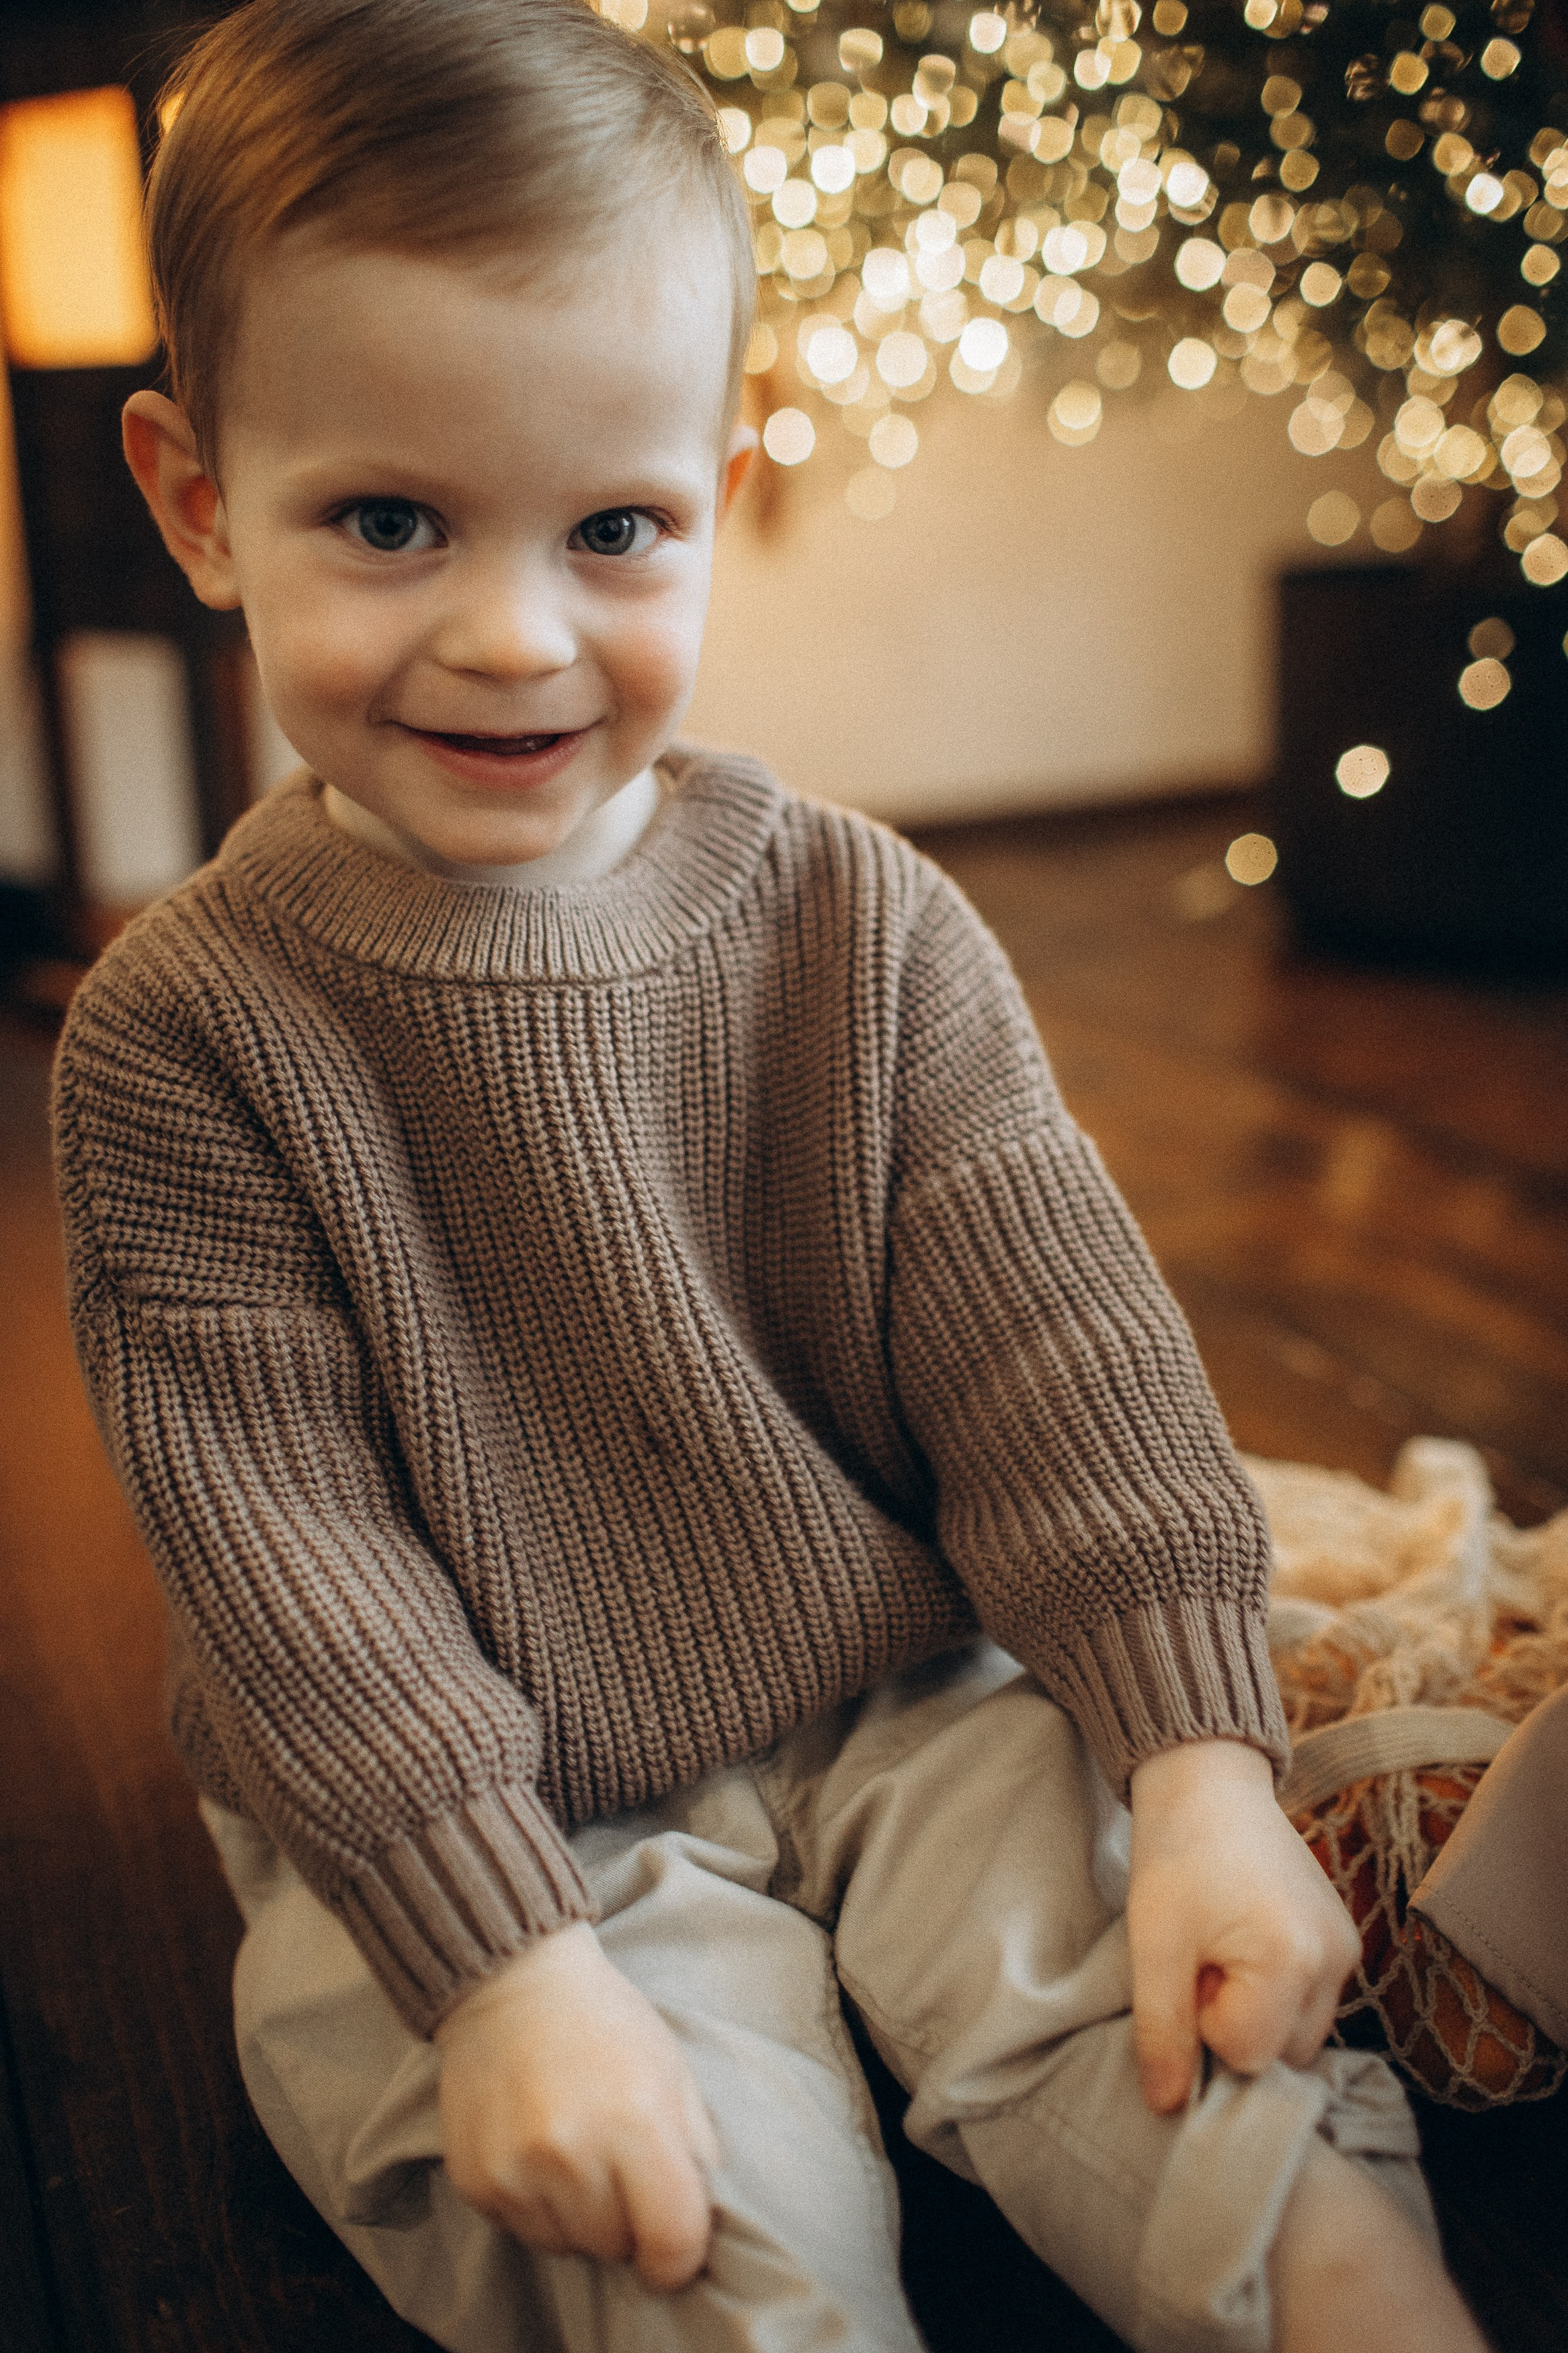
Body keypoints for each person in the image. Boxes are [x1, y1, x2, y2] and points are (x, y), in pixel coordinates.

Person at [52, 3, 1485, 2347]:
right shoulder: (185, 1035)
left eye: (614, 527)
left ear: (722, 482)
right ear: (205, 500)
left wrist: (1207, 1758)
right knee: (674, 2213)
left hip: (902, 1669)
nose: (514, 633)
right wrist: (505, 1961)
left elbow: (1063, 1361)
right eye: (387, 519)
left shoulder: (863, 923)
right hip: (484, 1801)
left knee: (1188, 2025)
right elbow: (290, 1552)